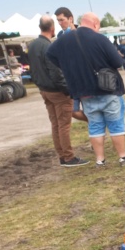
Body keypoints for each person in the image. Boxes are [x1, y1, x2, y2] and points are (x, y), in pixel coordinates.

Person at [46, 12, 125, 167]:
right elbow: (117, 61)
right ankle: (122, 157)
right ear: (95, 24)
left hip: (84, 92)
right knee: (116, 124)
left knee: (95, 126)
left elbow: (50, 54)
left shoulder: (64, 40)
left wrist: (67, 67)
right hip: (107, 89)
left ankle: (100, 160)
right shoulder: (99, 39)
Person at [28, 15, 87, 167]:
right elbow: (55, 72)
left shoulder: (34, 45)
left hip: (45, 90)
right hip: (57, 91)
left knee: (55, 125)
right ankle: (68, 157)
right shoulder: (48, 46)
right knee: (64, 125)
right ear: (52, 28)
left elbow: (33, 70)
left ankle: (62, 156)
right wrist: (68, 90)